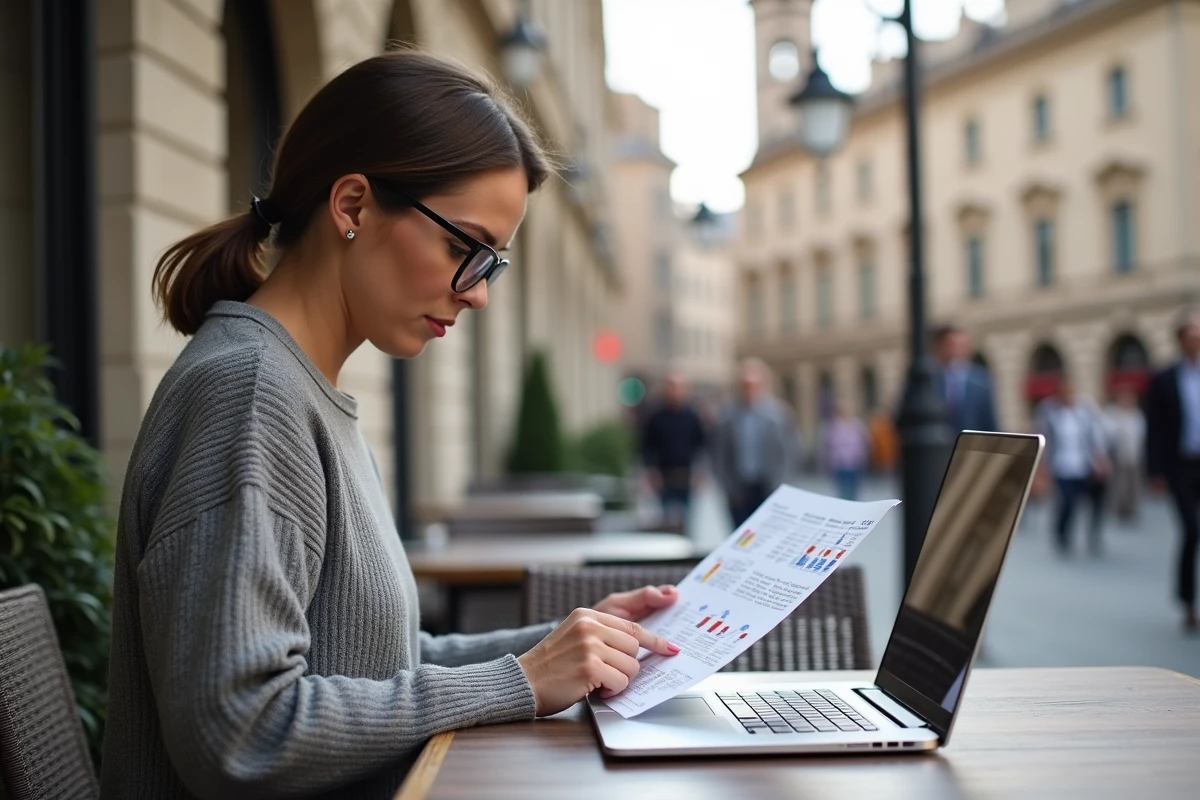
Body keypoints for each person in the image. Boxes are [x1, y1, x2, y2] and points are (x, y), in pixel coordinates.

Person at [99, 51, 683, 799]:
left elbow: (373, 660)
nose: (476, 294)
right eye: (462, 248)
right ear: (351, 207)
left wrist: (559, 648)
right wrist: (522, 681)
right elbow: (242, 732)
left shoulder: (299, 388)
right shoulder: (251, 396)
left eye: (491, 264)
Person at [1145, 309, 1200, 633]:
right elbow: (1155, 428)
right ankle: (1188, 603)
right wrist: (1154, 471)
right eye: (1191, 333)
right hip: (1180, 464)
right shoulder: (1164, 378)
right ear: (1180, 339)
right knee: (1191, 531)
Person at [712, 358, 800, 527]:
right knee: (740, 535)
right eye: (745, 385)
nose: (749, 390)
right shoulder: (728, 416)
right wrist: (726, 485)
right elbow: (718, 453)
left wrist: (782, 483)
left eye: (754, 385)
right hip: (739, 488)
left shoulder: (779, 414)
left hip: (768, 486)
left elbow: (791, 451)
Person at [1036, 377, 1111, 556]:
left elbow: (1096, 436)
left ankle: (1094, 536)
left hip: (1084, 465)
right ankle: (1062, 535)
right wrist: (1042, 468)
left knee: (1095, 501)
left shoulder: (1084, 411)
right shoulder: (1049, 412)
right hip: (1062, 466)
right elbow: (1043, 439)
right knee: (1067, 504)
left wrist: (1101, 459)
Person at [640, 372, 707, 530]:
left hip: (686, 476)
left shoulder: (692, 416)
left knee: (688, 522)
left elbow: (701, 446)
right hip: (664, 476)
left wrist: (700, 472)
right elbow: (646, 447)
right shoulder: (655, 417)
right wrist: (651, 473)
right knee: (665, 522)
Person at [933, 323, 999, 433]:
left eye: (961, 345)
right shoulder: (931, 379)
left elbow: (990, 421)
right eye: (952, 345)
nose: (956, 350)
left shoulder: (980, 380)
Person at [1103, 386, 1146, 523]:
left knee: (1134, 484)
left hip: (1135, 455)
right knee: (1119, 485)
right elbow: (1109, 433)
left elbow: (1141, 434)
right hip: (1118, 455)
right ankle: (1118, 509)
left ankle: (1131, 509)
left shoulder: (1137, 414)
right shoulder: (1113, 413)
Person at [823, 403, 871, 501]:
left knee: (854, 490)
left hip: (855, 463)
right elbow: (827, 446)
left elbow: (866, 441)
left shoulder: (857, 424)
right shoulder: (833, 426)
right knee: (842, 490)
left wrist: (864, 457)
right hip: (839, 464)